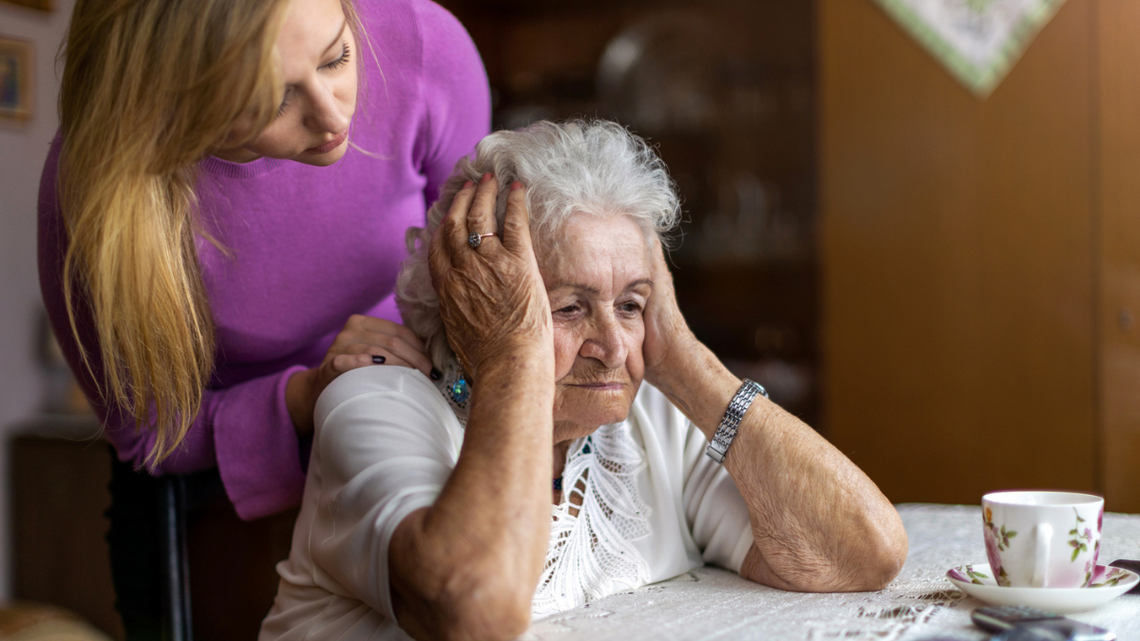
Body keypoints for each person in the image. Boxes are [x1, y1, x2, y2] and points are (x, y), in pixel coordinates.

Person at [258, 120, 909, 641]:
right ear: (471, 306)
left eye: (631, 304)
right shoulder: (378, 402)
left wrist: (685, 357)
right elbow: (473, 613)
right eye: (568, 307)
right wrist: (515, 355)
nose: (614, 346)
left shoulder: (650, 416)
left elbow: (863, 555)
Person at [37, 0, 488, 633]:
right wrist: (307, 394)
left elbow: (474, 263)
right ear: (170, 109)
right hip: (204, 484)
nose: (335, 115)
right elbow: (147, 433)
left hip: (406, 416)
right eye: (269, 102)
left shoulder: (420, 41)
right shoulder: (92, 196)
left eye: (337, 56)